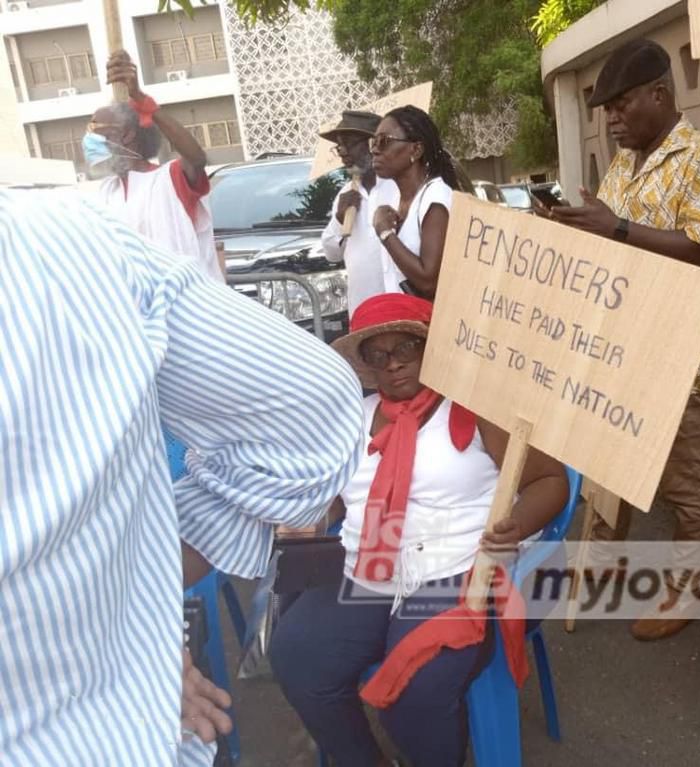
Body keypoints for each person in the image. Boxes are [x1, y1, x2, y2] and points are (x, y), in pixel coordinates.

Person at [0, 189, 365, 765]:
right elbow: (313, 411)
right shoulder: (62, 237)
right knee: (301, 652)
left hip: (131, 719)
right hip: (128, 730)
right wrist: (132, 605)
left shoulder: (85, 224)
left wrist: (136, 601)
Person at [269, 293, 569, 767]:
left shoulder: (474, 409)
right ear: (366, 363)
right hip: (366, 568)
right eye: (379, 355)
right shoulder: (353, 417)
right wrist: (303, 516)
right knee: (296, 657)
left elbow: (550, 483)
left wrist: (515, 526)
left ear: (430, 347)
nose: (394, 365)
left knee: (415, 692)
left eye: (406, 348)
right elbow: (330, 498)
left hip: (453, 570)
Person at [548, 38, 700, 641]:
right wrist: (575, 227)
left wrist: (619, 227)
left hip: (671, 352)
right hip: (616, 346)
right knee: (608, 464)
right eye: (605, 110)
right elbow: (610, 240)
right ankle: (600, 565)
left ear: (660, 94)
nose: (611, 119)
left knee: (687, 484)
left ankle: (687, 588)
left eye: (620, 105)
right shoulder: (623, 165)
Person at [86, 50, 221, 282]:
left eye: (97, 129)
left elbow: (197, 159)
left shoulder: (170, 178)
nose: (89, 139)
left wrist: (141, 99)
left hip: (190, 306)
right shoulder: (106, 192)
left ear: (127, 134)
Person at [369, 106, 460, 299]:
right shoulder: (397, 199)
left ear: (416, 149)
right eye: (373, 142)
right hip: (405, 321)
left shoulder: (435, 198)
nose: (375, 150)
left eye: (384, 141)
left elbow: (429, 281)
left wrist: (386, 234)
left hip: (431, 326)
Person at [319, 110, 400, 314]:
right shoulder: (344, 194)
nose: (343, 152)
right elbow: (331, 253)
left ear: (373, 144)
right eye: (339, 146)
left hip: (400, 305)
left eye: (349, 143)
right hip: (363, 309)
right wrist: (339, 219)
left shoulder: (399, 187)